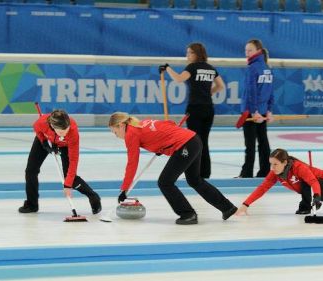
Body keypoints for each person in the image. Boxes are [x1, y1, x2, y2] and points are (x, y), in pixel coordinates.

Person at [109, 112, 237, 225]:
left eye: (115, 132)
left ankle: (188, 214)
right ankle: (227, 208)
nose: (117, 136)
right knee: (194, 180)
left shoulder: (131, 133)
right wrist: (160, 146)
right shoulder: (142, 123)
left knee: (165, 182)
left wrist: (124, 188)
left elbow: (132, 163)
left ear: (121, 125)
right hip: (194, 140)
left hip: (185, 145)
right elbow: (170, 124)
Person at [159, 43, 224, 179]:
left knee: (193, 141)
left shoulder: (192, 67)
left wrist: (167, 68)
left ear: (197, 54)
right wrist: (208, 93)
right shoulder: (211, 69)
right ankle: (205, 172)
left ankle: (195, 173)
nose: (187, 55)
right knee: (204, 141)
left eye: (190, 53)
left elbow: (178, 79)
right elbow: (221, 86)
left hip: (195, 109)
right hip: (208, 109)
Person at [19, 110, 102, 214]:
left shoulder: (72, 132)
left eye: (66, 129)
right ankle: (31, 204)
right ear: (53, 127)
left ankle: (93, 196)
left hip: (65, 145)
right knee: (31, 171)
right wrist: (44, 142)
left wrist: (67, 185)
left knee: (71, 177)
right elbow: (37, 129)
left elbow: (73, 161)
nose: (65, 133)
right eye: (62, 132)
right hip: (46, 139)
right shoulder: (42, 123)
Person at [237, 39, 274, 178]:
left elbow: (252, 92)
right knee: (263, 142)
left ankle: (247, 173)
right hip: (262, 111)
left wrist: (254, 111)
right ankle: (265, 171)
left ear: (258, 51)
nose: (247, 53)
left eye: (250, 50)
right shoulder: (267, 68)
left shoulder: (252, 68)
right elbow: (271, 92)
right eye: (246, 50)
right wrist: (268, 110)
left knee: (250, 144)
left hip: (251, 112)